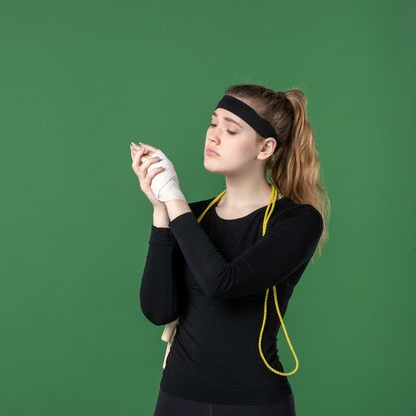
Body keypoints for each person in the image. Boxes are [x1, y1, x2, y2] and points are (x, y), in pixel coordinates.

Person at [129, 83, 330, 416]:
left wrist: (174, 199)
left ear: (265, 147)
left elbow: (224, 283)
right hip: (177, 397)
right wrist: (160, 210)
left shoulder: (297, 221)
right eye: (213, 123)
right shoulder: (189, 217)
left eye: (231, 129)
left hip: (255, 402)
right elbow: (158, 310)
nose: (214, 136)